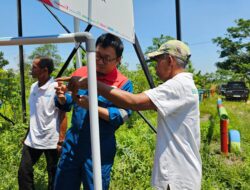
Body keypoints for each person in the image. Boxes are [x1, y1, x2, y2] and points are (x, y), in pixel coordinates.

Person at [63, 40, 202, 189]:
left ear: (169, 60)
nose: (155, 67)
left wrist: (93, 84)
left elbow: (134, 103)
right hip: (180, 171)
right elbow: (68, 102)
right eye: (98, 56)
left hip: (177, 177)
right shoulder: (185, 85)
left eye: (157, 61)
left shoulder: (178, 85)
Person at [54, 33, 133, 190]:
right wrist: (62, 97)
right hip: (73, 144)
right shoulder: (81, 73)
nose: (100, 61)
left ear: (118, 60)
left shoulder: (123, 83)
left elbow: (122, 116)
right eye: (97, 55)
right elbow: (69, 102)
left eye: (106, 58)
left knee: (96, 186)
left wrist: (93, 107)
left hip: (100, 148)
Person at [18, 56, 67, 190]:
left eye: (34, 67)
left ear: (44, 71)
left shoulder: (56, 88)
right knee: (23, 171)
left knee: (53, 174)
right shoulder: (33, 87)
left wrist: (61, 140)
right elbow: (35, 114)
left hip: (51, 139)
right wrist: (28, 133)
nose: (31, 70)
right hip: (33, 139)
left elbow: (63, 115)